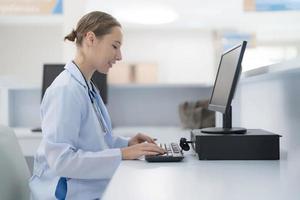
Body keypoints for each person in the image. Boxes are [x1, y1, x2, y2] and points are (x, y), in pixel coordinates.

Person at [29, 11, 165, 200]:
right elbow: (62, 161)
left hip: (89, 188)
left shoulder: (87, 87)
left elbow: (94, 142)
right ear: (91, 39)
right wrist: (122, 154)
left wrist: (127, 143)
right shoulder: (66, 90)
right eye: (115, 46)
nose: (119, 56)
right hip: (66, 194)